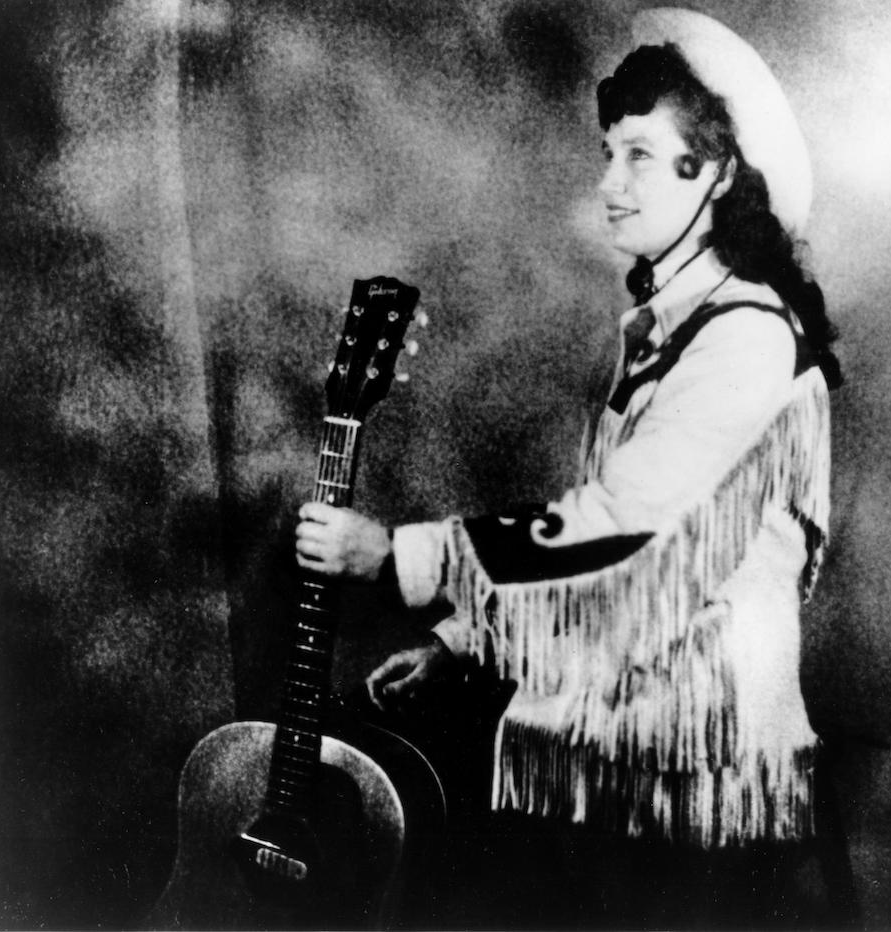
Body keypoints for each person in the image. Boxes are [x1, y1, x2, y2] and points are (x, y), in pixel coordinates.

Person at [296, 8, 853, 927]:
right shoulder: (674, 332)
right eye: (608, 153)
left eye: (638, 154)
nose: (610, 184)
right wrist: (460, 642)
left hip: (692, 757)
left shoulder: (746, 338)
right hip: (636, 714)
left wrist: (398, 559)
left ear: (713, 175)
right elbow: (600, 564)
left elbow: (622, 527)